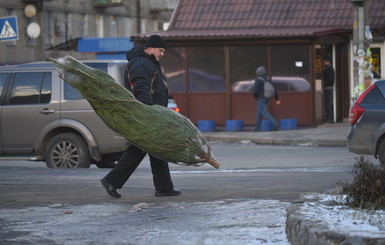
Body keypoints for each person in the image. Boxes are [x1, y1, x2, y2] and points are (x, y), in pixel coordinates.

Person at [100, 35, 181, 198]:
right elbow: (141, 89)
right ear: (150, 48)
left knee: (156, 150)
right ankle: (112, 180)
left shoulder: (148, 63)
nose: (162, 54)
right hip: (146, 115)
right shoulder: (141, 64)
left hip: (151, 114)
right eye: (161, 50)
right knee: (139, 150)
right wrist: (148, 112)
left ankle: (164, 187)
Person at [253, 66, 281, 131]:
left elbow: (255, 91)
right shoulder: (268, 79)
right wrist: (277, 99)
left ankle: (275, 124)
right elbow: (274, 90)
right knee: (259, 113)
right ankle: (257, 128)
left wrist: (256, 97)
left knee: (264, 112)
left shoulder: (258, 80)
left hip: (261, 98)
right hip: (268, 98)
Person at [323, 57, 334, 123]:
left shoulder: (329, 69)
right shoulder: (327, 68)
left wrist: (325, 83)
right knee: (327, 103)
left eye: (325, 61)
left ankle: (329, 118)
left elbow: (330, 79)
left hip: (328, 87)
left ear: (328, 62)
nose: (324, 63)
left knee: (328, 103)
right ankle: (329, 118)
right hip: (327, 87)